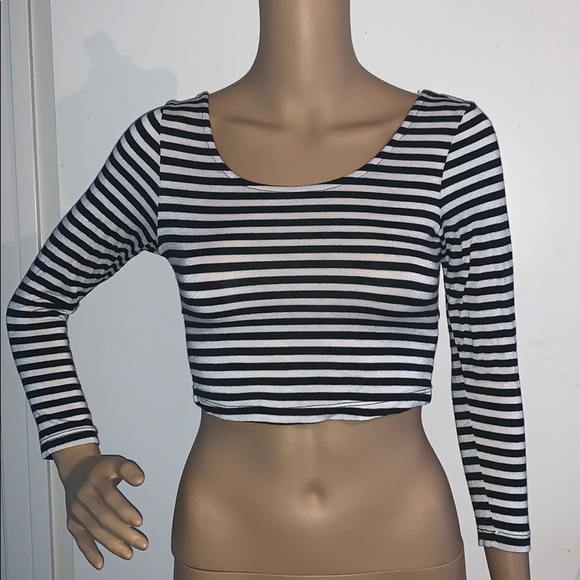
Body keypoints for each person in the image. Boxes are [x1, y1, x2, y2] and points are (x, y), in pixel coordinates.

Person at [5, 1, 531, 579]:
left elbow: (488, 374)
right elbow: (35, 305)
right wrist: (74, 455)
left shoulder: (450, 139)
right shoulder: (166, 147)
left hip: (406, 540)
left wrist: (511, 567)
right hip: (226, 539)